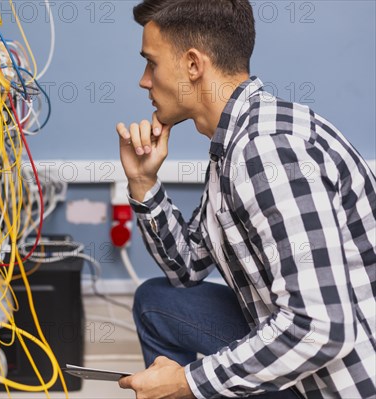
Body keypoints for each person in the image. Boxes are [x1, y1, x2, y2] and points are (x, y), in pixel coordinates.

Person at [115, 1, 376, 398]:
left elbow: (323, 328)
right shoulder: (234, 145)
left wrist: (190, 382)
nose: (144, 81)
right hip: (298, 345)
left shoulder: (266, 150)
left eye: (151, 63)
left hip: (343, 382)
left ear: (192, 65)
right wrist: (143, 182)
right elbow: (187, 268)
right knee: (157, 303)